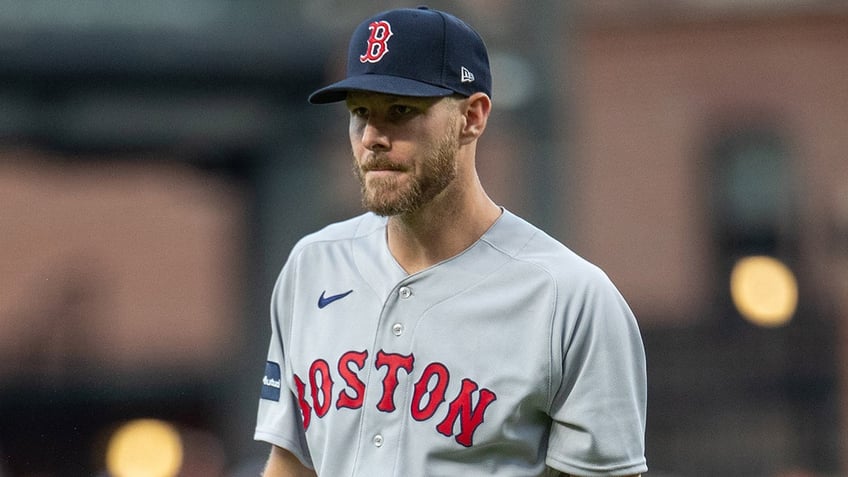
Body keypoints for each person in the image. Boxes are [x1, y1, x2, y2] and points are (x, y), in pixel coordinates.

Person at [254, 6, 647, 477]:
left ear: (473, 117)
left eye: (400, 111)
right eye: (361, 112)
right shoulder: (312, 266)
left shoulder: (571, 298)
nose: (374, 137)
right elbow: (291, 463)